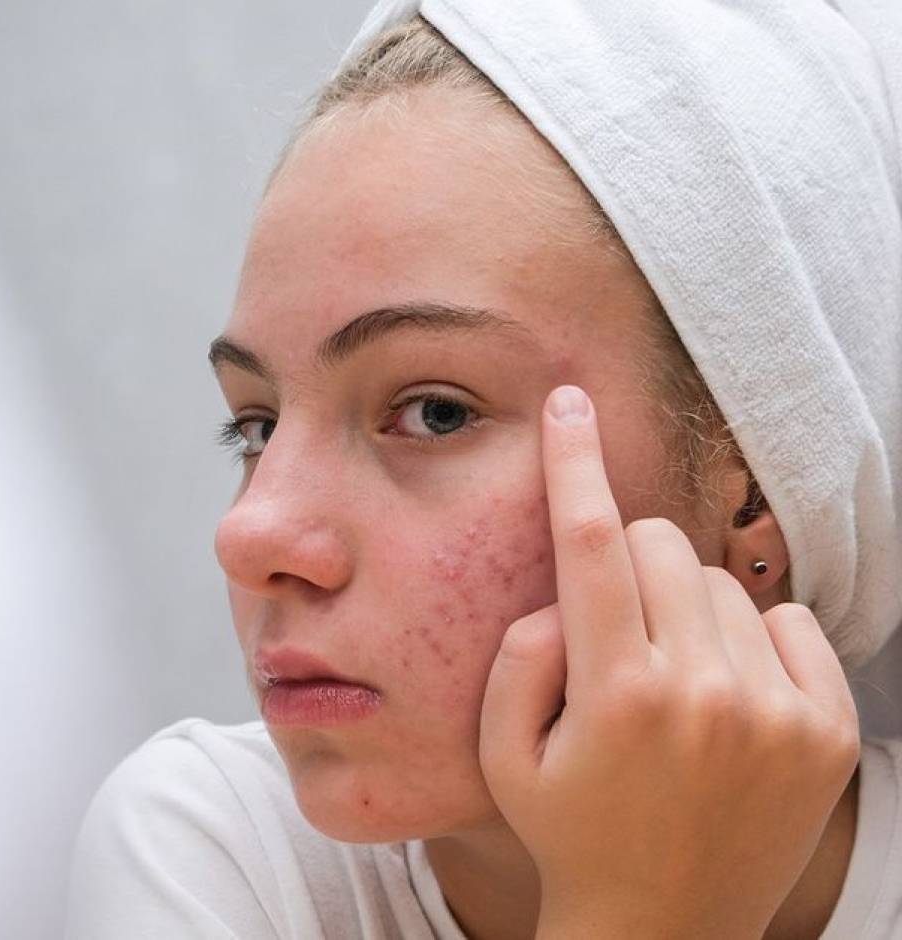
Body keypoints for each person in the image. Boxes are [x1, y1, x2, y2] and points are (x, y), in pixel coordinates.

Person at [65, 2, 902, 937]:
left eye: (434, 412)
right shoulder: (222, 855)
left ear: (759, 495)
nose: (249, 533)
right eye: (255, 428)